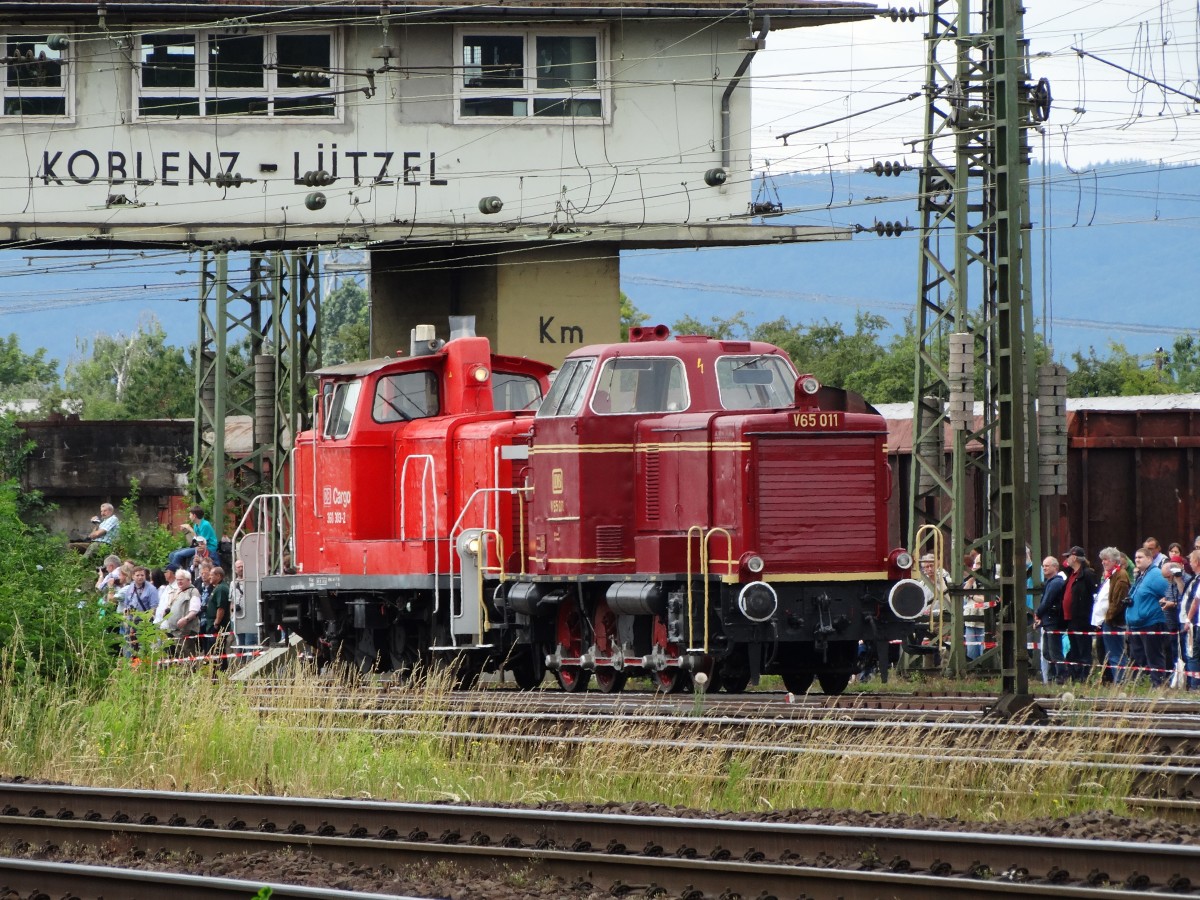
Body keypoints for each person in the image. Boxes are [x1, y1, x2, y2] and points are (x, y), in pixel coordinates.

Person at [1127, 548, 1169, 686]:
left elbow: (1169, 592)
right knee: (1139, 658)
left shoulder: (1156, 574)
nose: (1137, 560)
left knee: (1154, 657)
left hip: (1151, 622)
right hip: (1137, 624)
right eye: (1136, 557)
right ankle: (1144, 684)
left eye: (1141, 557)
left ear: (1150, 559)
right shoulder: (1141, 575)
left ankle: (1158, 685)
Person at [1061, 545, 1100, 683]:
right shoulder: (1071, 574)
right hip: (1070, 619)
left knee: (1084, 649)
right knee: (1074, 649)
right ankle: (1075, 676)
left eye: (1068, 556)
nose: (1066, 559)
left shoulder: (1087, 574)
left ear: (1075, 557)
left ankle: (1084, 677)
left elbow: (1095, 595)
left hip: (1082, 618)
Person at [1094, 547, 1130, 683]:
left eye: (1106, 560)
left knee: (1116, 654)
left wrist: (1108, 618)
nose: (1103, 562)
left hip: (1113, 622)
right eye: (1102, 560)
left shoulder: (1120, 576)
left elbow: (1117, 601)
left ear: (1115, 560)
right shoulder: (1112, 575)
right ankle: (1117, 681)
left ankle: (1120, 682)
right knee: (1112, 653)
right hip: (1108, 621)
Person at [1034, 556, 1068, 684]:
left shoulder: (1056, 582)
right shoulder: (1050, 582)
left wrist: (1038, 613)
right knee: (1047, 652)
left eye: (1047, 566)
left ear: (1055, 567)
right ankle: (1053, 676)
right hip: (1047, 621)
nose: (1044, 568)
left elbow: (1047, 601)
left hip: (1053, 621)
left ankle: (1060, 677)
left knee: (1055, 651)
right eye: (1043, 565)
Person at [1161, 555, 1190, 682]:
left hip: (1183, 621)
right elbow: (1170, 596)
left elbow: (1186, 600)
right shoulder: (1169, 583)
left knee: (1185, 650)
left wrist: (1172, 604)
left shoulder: (1185, 580)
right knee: (1172, 650)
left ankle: (1188, 679)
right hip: (1171, 622)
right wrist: (1164, 600)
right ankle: (1176, 677)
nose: (1167, 580)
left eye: (1168, 577)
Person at [163, 569, 202, 658]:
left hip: (186, 631)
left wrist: (186, 619)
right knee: (178, 656)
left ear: (188, 580)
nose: (179, 582)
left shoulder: (193, 591)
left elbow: (195, 610)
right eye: (177, 579)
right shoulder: (176, 592)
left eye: (181, 579)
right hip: (174, 631)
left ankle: (190, 672)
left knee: (187, 655)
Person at [169, 504, 220, 569]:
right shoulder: (196, 525)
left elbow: (201, 543)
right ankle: (178, 570)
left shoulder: (205, 525)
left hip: (208, 548)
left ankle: (175, 572)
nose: (189, 517)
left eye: (190, 515)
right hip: (198, 547)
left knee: (177, 555)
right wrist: (186, 532)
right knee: (172, 554)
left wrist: (190, 529)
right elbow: (193, 543)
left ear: (194, 515)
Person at [206, 566, 233, 669]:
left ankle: (220, 671)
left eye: (211, 575)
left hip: (218, 625)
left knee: (217, 649)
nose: (209, 577)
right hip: (212, 623)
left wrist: (216, 624)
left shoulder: (221, 588)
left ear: (218, 576)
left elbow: (221, 608)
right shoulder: (216, 587)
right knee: (218, 649)